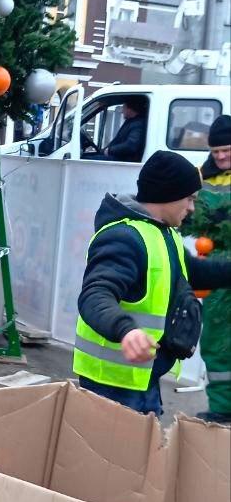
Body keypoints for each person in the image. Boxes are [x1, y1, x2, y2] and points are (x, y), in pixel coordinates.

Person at [73, 150, 231, 416]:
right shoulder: (125, 237)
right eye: (189, 199)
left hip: (142, 378)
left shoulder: (162, 232)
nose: (192, 208)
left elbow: (195, 272)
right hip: (113, 384)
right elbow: (95, 294)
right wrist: (126, 330)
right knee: (117, 457)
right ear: (168, 195)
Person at [195, 115, 231, 422]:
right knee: (216, 341)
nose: (220, 156)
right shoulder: (201, 177)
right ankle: (221, 408)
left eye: (227, 150)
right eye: (215, 150)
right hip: (216, 269)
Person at [101, 96, 147, 162]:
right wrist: (103, 151)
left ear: (130, 109)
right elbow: (117, 141)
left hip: (124, 161)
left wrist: (110, 150)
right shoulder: (131, 122)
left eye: (124, 108)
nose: (122, 111)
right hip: (119, 158)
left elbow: (131, 146)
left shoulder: (138, 124)